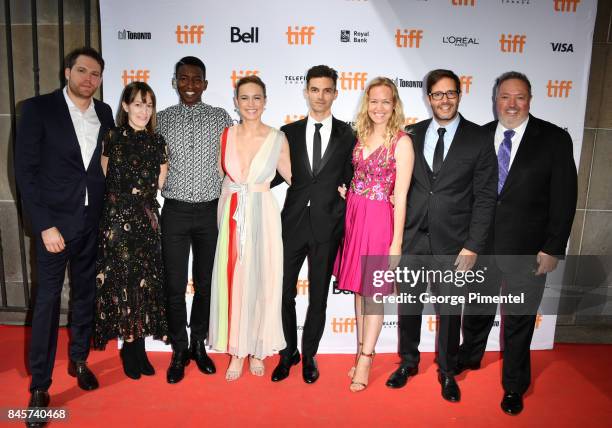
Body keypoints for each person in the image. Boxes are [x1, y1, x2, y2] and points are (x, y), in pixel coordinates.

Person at [458, 71, 577, 415]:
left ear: (530, 99)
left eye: (519, 97)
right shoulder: (477, 136)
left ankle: (514, 385)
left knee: (520, 318)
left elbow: (564, 197)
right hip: (480, 245)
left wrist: (553, 247)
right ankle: (469, 357)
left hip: (529, 249)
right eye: (504, 97)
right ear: (495, 99)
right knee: (477, 308)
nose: (511, 104)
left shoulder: (553, 139)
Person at [385, 69, 498, 403]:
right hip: (413, 239)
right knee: (409, 308)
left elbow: (485, 197)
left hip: (454, 244)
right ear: (428, 98)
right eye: (438, 94)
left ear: (460, 96)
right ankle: (407, 362)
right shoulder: (410, 134)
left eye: (450, 93)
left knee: (450, 312)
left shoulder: (478, 138)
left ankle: (448, 370)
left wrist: (473, 245)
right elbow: (395, 181)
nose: (444, 100)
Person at [14, 47, 114, 423]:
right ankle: (40, 385)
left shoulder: (104, 113)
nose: (89, 79)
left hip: (91, 223)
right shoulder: (38, 109)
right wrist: (43, 225)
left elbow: (102, 168)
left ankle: (78, 360)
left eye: (96, 74)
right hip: (54, 227)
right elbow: (25, 173)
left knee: (86, 295)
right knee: (47, 303)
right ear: (67, 72)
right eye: (83, 71)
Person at [271, 65, 355, 384]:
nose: (320, 96)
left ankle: (309, 355)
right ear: (306, 91)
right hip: (292, 224)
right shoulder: (287, 132)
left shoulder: (348, 134)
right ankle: (288, 352)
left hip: (327, 226)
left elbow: (352, 175)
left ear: (335, 93)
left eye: (326, 90)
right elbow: (275, 175)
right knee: (283, 294)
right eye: (314, 89)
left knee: (319, 296)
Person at [208, 75, 291, 381]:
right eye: (245, 98)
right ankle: (236, 350)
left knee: (262, 281)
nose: (251, 104)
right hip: (231, 213)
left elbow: (297, 180)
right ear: (236, 102)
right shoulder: (226, 135)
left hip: (264, 215)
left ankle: (257, 348)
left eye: (257, 98)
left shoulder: (277, 138)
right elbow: (222, 175)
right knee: (234, 281)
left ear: (265, 101)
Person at [334, 77, 414, 392]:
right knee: (358, 289)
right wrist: (348, 191)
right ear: (367, 104)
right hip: (355, 218)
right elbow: (355, 174)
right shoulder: (360, 136)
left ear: (394, 105)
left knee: (374, 293)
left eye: (385, 101)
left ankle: (366, 358)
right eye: (374, 101)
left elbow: (403, 196)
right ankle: (360, 348)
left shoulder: (402, 141)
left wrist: (397, 243)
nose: (379, 107)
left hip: (381, 222)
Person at [157, 56, 233, 384]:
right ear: (175, 82)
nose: (189, 85)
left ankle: (198, 344)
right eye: (183, 79)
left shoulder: (221, 117)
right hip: (173, 211)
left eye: (196, 79)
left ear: (205, 83)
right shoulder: (159, 120)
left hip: (209, 213)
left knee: (205, 285)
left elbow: (236, 160)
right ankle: (178, 348)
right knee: (174, 286)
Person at [93, 82, 169, 380]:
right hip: (117, 222)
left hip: (146, 223)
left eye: (149, 105)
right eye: (138, 104)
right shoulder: (112, 137)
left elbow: (160, 183)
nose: (143, 110)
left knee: (143, 285)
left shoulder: (158, 141)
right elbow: (105, 174)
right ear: (125, 106)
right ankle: (130, 347)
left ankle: (138, 349)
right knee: (123, 283)